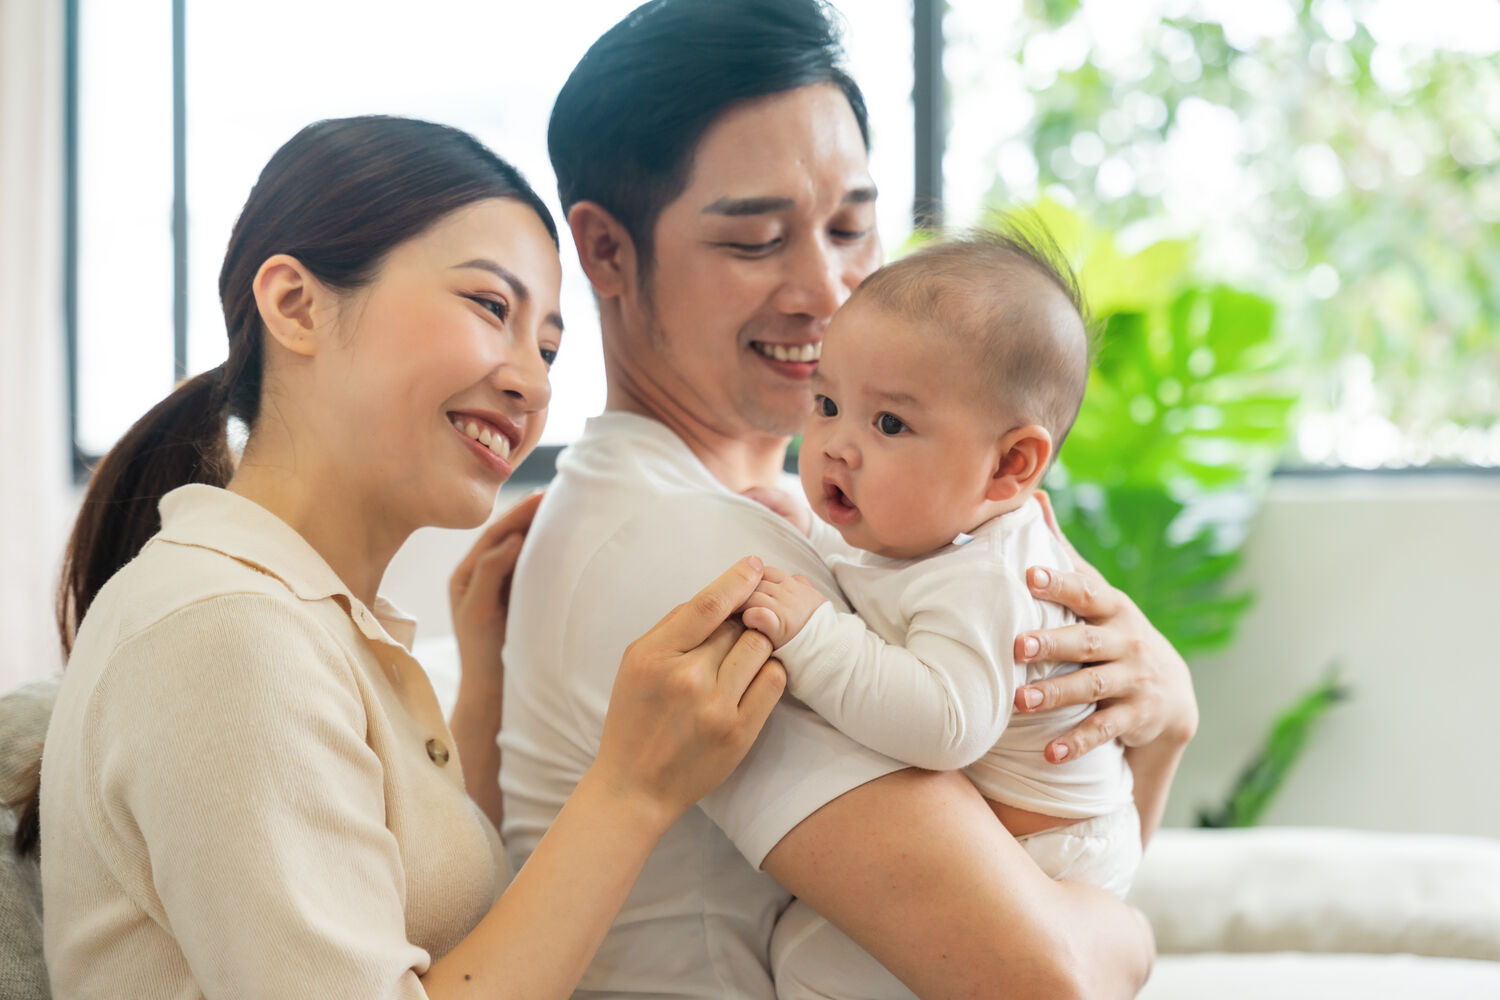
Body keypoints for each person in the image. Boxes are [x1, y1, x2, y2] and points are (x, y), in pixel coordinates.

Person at [500, 1, 1197, 997]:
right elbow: (1046, 976)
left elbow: (1044, 860)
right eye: (754, 243)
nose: (826, 292)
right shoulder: (706, 557)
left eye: (850, 227)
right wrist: (1130, 936)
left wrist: (1160, 725)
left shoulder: (802, 518)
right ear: (606, 252)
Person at [36, 115, 787, 1000]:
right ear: (295, 304)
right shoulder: (227, 635)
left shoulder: (297, 622)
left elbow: (430, 921)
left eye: (548, 346)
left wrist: (483, 690)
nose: (535, 383)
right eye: (489, 307)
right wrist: (632, 788)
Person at [740, 230, 1142, 999]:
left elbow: (944, 724)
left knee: (809, 963)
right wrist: (807, 520)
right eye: (826, 404)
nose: (836, 447)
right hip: (1038, 839)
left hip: (1053, 853)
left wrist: (816, 636)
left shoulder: (987, 576)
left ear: (1009, 466)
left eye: (889, 425)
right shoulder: (934, 523)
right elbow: (882, 561)